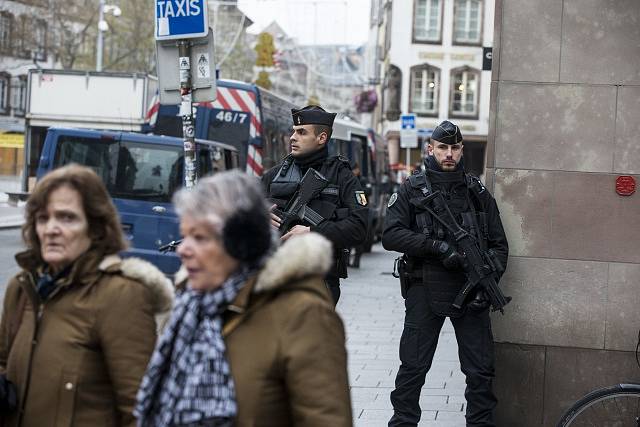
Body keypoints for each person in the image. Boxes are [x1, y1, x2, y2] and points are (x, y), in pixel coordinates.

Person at [135, 170, 353, 427]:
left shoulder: (304, 315)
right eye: (186, 235)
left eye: (200, 238)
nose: (183, 249)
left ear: (240, 242)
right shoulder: (191, 304)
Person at [0, 164, 174, 427]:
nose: (51, 229)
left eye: (67, 218)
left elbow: (140, 411)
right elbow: (3, 364)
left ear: (95, 227)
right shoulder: (22, 287)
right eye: (43, 218)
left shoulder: (121, 296)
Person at [382, 120, 509, 427]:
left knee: (480, 372)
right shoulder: (413, 189)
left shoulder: (477, 192)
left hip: (472, 291)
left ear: (461, 149)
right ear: (431, 149)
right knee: (412, 367)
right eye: (443, 148)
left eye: (454, 148)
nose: (449, 154)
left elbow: (499, 244)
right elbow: (390, 234)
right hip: (425, 287)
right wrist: (437, 247)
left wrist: (487, 278)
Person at [262, 105, 368, 304]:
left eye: (302, 132)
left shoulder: (341, 176)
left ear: (322, 138)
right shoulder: (274, 175)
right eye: (293, 131)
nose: (293, 137)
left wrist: (312, 231)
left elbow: (359, 227)